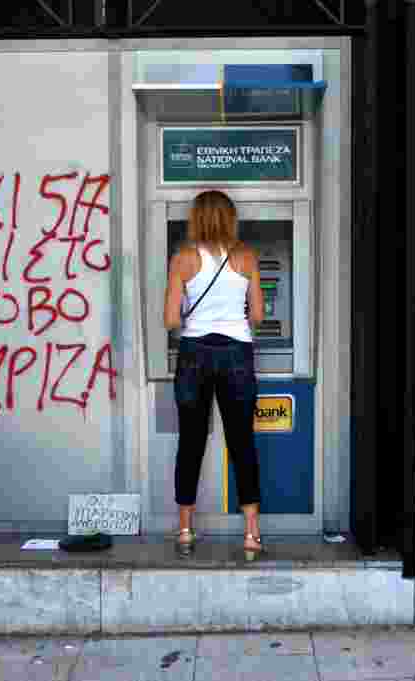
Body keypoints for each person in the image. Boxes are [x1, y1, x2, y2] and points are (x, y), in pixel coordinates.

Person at [163, 190, 265, 560]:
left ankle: (186, 530)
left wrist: (193, 316)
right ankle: (251, 534)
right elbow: (257, 314)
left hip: (194, 354)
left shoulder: (184, 258)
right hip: (237, 352)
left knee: (190, 442)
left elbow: (170, 319)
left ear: (196, 218)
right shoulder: (247, 257)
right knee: (242, 443)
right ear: (230, 218)